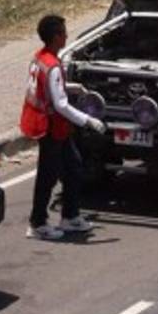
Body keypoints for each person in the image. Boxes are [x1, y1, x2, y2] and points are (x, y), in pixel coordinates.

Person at [19, 15, 107, 240]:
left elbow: (49, 88)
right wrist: (88, 120)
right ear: (55, 37)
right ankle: (38, 223)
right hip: (51, 128)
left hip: (49, 125)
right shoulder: (54, 67)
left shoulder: (40, 58)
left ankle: (70, 216)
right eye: (63, 32)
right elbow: (60, 104)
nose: (67, 36)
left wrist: (73, 87)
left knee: (74, 167)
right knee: (48, 177)